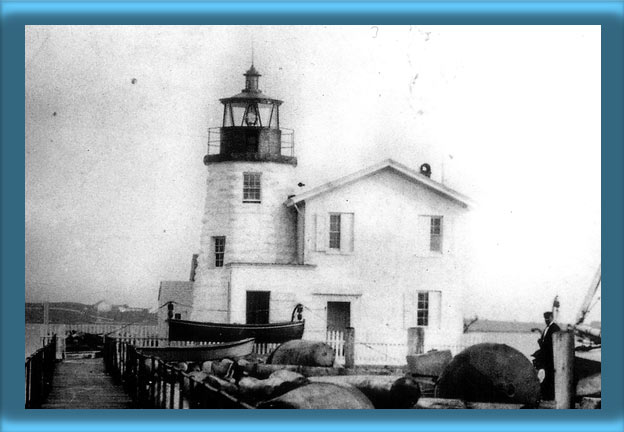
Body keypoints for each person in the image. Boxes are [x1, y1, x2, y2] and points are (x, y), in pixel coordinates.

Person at [536, 311, 561, 400]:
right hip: (545, 357)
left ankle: (549, 395)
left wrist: (542, 343)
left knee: (550, 376)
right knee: (545, 376)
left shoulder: (555, 328)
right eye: (545, 319)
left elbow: (554, 344)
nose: (546, 320)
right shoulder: (547, 328)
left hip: (551, 358)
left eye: (547, 318)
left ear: (551, 317)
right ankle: (545, 394)